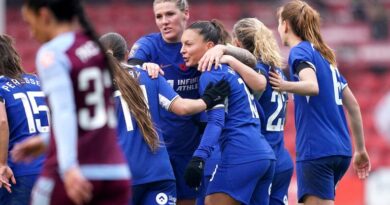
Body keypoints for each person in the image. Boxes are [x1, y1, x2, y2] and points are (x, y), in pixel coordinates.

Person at [128, 1, 260, 205]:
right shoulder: (149, 45)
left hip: (193, 146)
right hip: (158, 147)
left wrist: (224, 50)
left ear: (185, 13)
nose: (164, 22)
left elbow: (250, 61)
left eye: (169, 14)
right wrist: (143, 66)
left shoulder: (200, 44)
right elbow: (130, 68)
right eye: (158, 16)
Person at [99, 32, 230, 205]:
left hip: (121, 173)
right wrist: (208, 99)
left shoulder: (96, 85)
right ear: (127, 54)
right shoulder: (149, 75)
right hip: (158, 173)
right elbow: (182, 108)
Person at [21, 0, 131, 204]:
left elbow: (65, 111)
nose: (30, 32)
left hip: (76, 175)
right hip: (115, 174)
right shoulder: (95, 47)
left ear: (44, 16)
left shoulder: (52, 53)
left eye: (30, 22)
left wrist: (69, 168)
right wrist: (47, 140)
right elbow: (90, 114)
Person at [270, 1, 371, 204]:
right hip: (341, 149)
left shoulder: (299, 51)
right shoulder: (325, 58)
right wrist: (360, 149)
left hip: (317, 149)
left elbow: (311, 86)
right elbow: (353, 105)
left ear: (287, 25)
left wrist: (283, 85)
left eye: (279, 22)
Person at [181, 19, 275, 205]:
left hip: (240, 153)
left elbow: (216, 121)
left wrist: (199, 157)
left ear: (209, 46)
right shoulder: (232, 70)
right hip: (264, 155)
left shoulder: (211, 73)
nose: (182, 50)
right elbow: (259, 113)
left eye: (188, 44)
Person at [232, 17, 294, 205]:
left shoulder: (255, 72)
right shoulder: (277, 70)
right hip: (282, 157)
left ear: (237, 43)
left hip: (259, 158)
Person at [0, 34, 49, 205]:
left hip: (18, 172)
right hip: (49, 169)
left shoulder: (0, 86)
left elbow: (2, 121)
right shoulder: (37, 81)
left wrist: (1, 163)